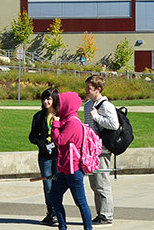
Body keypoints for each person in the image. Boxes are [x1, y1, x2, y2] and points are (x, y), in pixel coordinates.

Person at [48, 92, 95, 230]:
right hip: (65, 168)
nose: (57, 107)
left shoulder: (72, 122)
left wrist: (55, 124)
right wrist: (56, 123)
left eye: (60, 104)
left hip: (73, 168)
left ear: (67, 106)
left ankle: (88, 228)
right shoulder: (66, 120)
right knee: (55, 197)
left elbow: (60, 140)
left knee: (80, 201)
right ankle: (62, 226)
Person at [81, 75, 119, 226]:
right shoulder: (88, 105)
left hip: (102, 149)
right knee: (95, 184)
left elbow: (114, 124)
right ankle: (100, 214)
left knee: (102, 183)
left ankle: (106, 215)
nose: (86, 91)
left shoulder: (106, 105)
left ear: (98, 89)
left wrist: (96, 117)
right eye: (86, 88)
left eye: (89, 89)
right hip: (90, 149)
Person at [28, 89, 62, 226]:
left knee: (57, 185)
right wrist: (41, 143)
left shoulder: (61, 115)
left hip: (58, 155)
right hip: (44, 156)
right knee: (48, 185)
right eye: (44, 99)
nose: (46, 102)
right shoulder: (38, 116)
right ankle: (51, 213)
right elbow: (32, 136)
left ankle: (58, 212)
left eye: (49, 99)